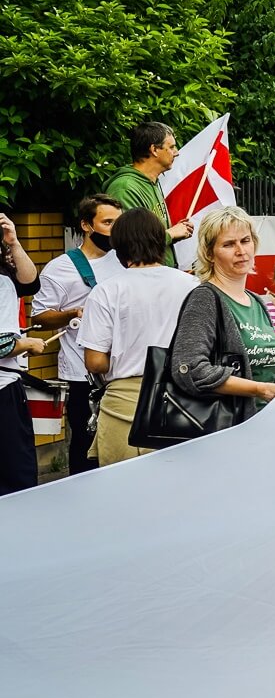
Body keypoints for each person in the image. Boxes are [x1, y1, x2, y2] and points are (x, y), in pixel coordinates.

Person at [75, 209, 195, 466]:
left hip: (125, 403)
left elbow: (95, 362)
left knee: (125, 485)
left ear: (118, 246)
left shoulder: (106, 291)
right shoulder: (192, 286)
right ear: (160, 239)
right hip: (184, 400)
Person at [168, 206, 275, 427]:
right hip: (229, 429)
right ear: (209, 253)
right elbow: (189, 368)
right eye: (229, 244)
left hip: (269, 424)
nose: (241, 250)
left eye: (245, 240)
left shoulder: (257, 301)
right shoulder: (205, 298)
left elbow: (268, 367)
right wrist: (257, 389)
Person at [29, 195, 122, 475]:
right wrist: (72, 313)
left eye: (118, 223)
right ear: (86, 225)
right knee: (85, 445)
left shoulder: (125, 258)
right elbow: (39, 317)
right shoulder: (61, 267)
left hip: (121, 369)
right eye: (107, 222)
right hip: (83, 375)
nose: (114, 230)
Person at [103, 122, 193, 267]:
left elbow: (151, 236)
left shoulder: (153, 182)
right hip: (142, 278)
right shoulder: (125, 188)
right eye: (171, 147)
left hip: (160, 275)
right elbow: (132, 242)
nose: (176, 152)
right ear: (154, 150)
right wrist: (171, 234)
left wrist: (176, 234)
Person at [0, 211, 45, 494]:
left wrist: (14, 243)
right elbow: (2, 344)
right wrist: (29, 344)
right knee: (17, 479)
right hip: (3, 389)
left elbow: (30, 283)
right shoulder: (1, 283)